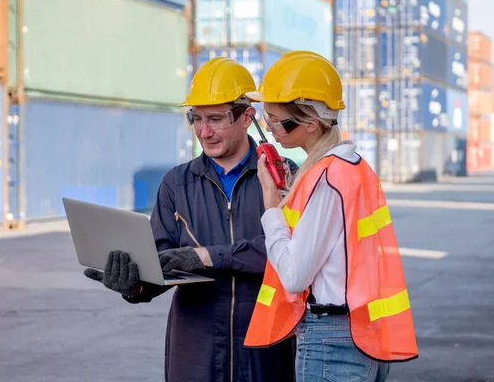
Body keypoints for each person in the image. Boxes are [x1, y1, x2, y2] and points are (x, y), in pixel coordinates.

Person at [84, 57, 299, 381]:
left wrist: (205, 257)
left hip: (268, 349)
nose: (204, 131)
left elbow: (285, 252)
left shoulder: (283, 177)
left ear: (247, 117)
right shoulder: (176, 184)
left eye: (215, 119)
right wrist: (135, 285)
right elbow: (161, 262)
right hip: (196, 354)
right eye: (195, 119)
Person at [242, 51, 419, 381]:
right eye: (266, 119)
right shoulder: (355, 168)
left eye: (277, 121)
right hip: (363, 334)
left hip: (333, 342)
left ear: (311, 122)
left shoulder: (323, 179)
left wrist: (270, 206)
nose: (270, 129)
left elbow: (295, 276)